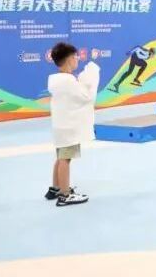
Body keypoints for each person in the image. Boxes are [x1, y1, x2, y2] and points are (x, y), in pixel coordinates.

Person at [45, 42, 99, 207]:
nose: (77, 59)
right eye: (75, 57)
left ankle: (55, 188)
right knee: (65, 159)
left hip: (61, 126)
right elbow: (85, 96)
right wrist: (92, 74)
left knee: (60, 157)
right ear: (69, 59)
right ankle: (65, 194)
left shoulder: (57, 80)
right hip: (69, 127)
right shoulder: (68, 81)